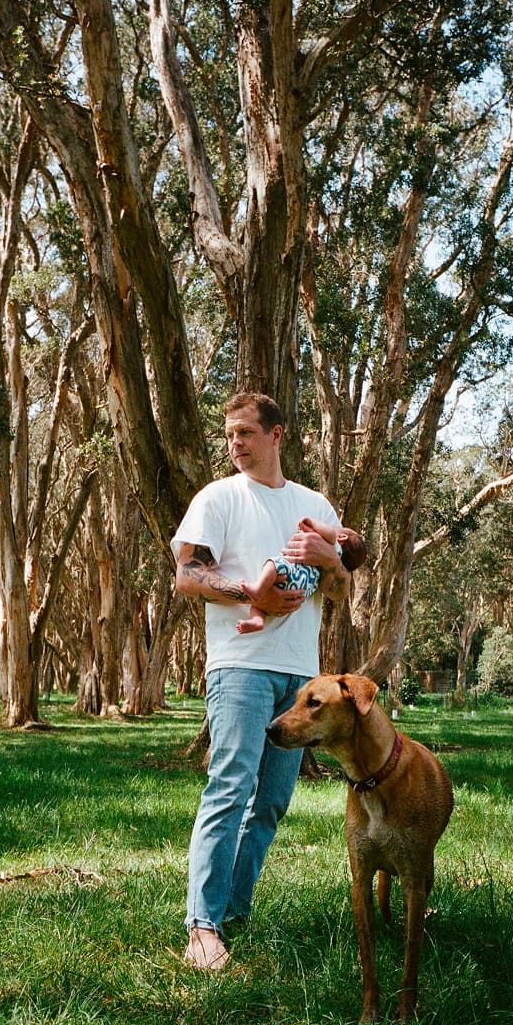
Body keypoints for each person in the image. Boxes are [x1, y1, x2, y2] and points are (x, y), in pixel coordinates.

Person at [171, 392, 353, 970]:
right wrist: (253, 594)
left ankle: (232, 912)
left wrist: (332, 562)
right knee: (230, 788)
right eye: (230, 434)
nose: (236, 444)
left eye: (247, 432)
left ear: (277, 434)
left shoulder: (312, 502)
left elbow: (339, 590)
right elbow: (187, 575)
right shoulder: (217, 497)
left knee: (272, 801)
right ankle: (202, 927)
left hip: (300, 674)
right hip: (239, 665)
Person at [236, 517, 366, 634]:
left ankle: (258, 588)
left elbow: (330, 533)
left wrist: (311, 522)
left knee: (274, 564)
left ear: (342, 537)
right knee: (262, 605)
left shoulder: (333, 544)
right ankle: (258, 620)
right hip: (301, 591)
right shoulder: (335, 560)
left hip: (294, 573)